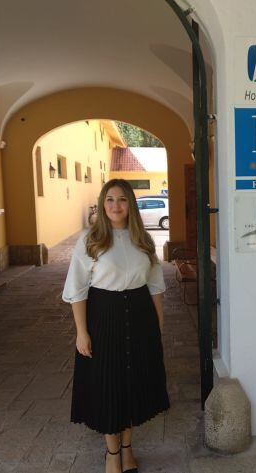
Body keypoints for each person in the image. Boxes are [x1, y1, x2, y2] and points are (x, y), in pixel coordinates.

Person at [63, 179, 169, 473]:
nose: (116, 205)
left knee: (133, 384)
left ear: (130, 204)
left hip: (140, 316)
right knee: (108, 385)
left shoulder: (143, 240)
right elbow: (77, 289)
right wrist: (81, 332)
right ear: (102, 203)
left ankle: (127, 449)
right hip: (103, 317)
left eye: (122, 199)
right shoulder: (91, 240)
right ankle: (112, 454)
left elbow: (155, 285)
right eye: (109, 199)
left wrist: (158, 323)